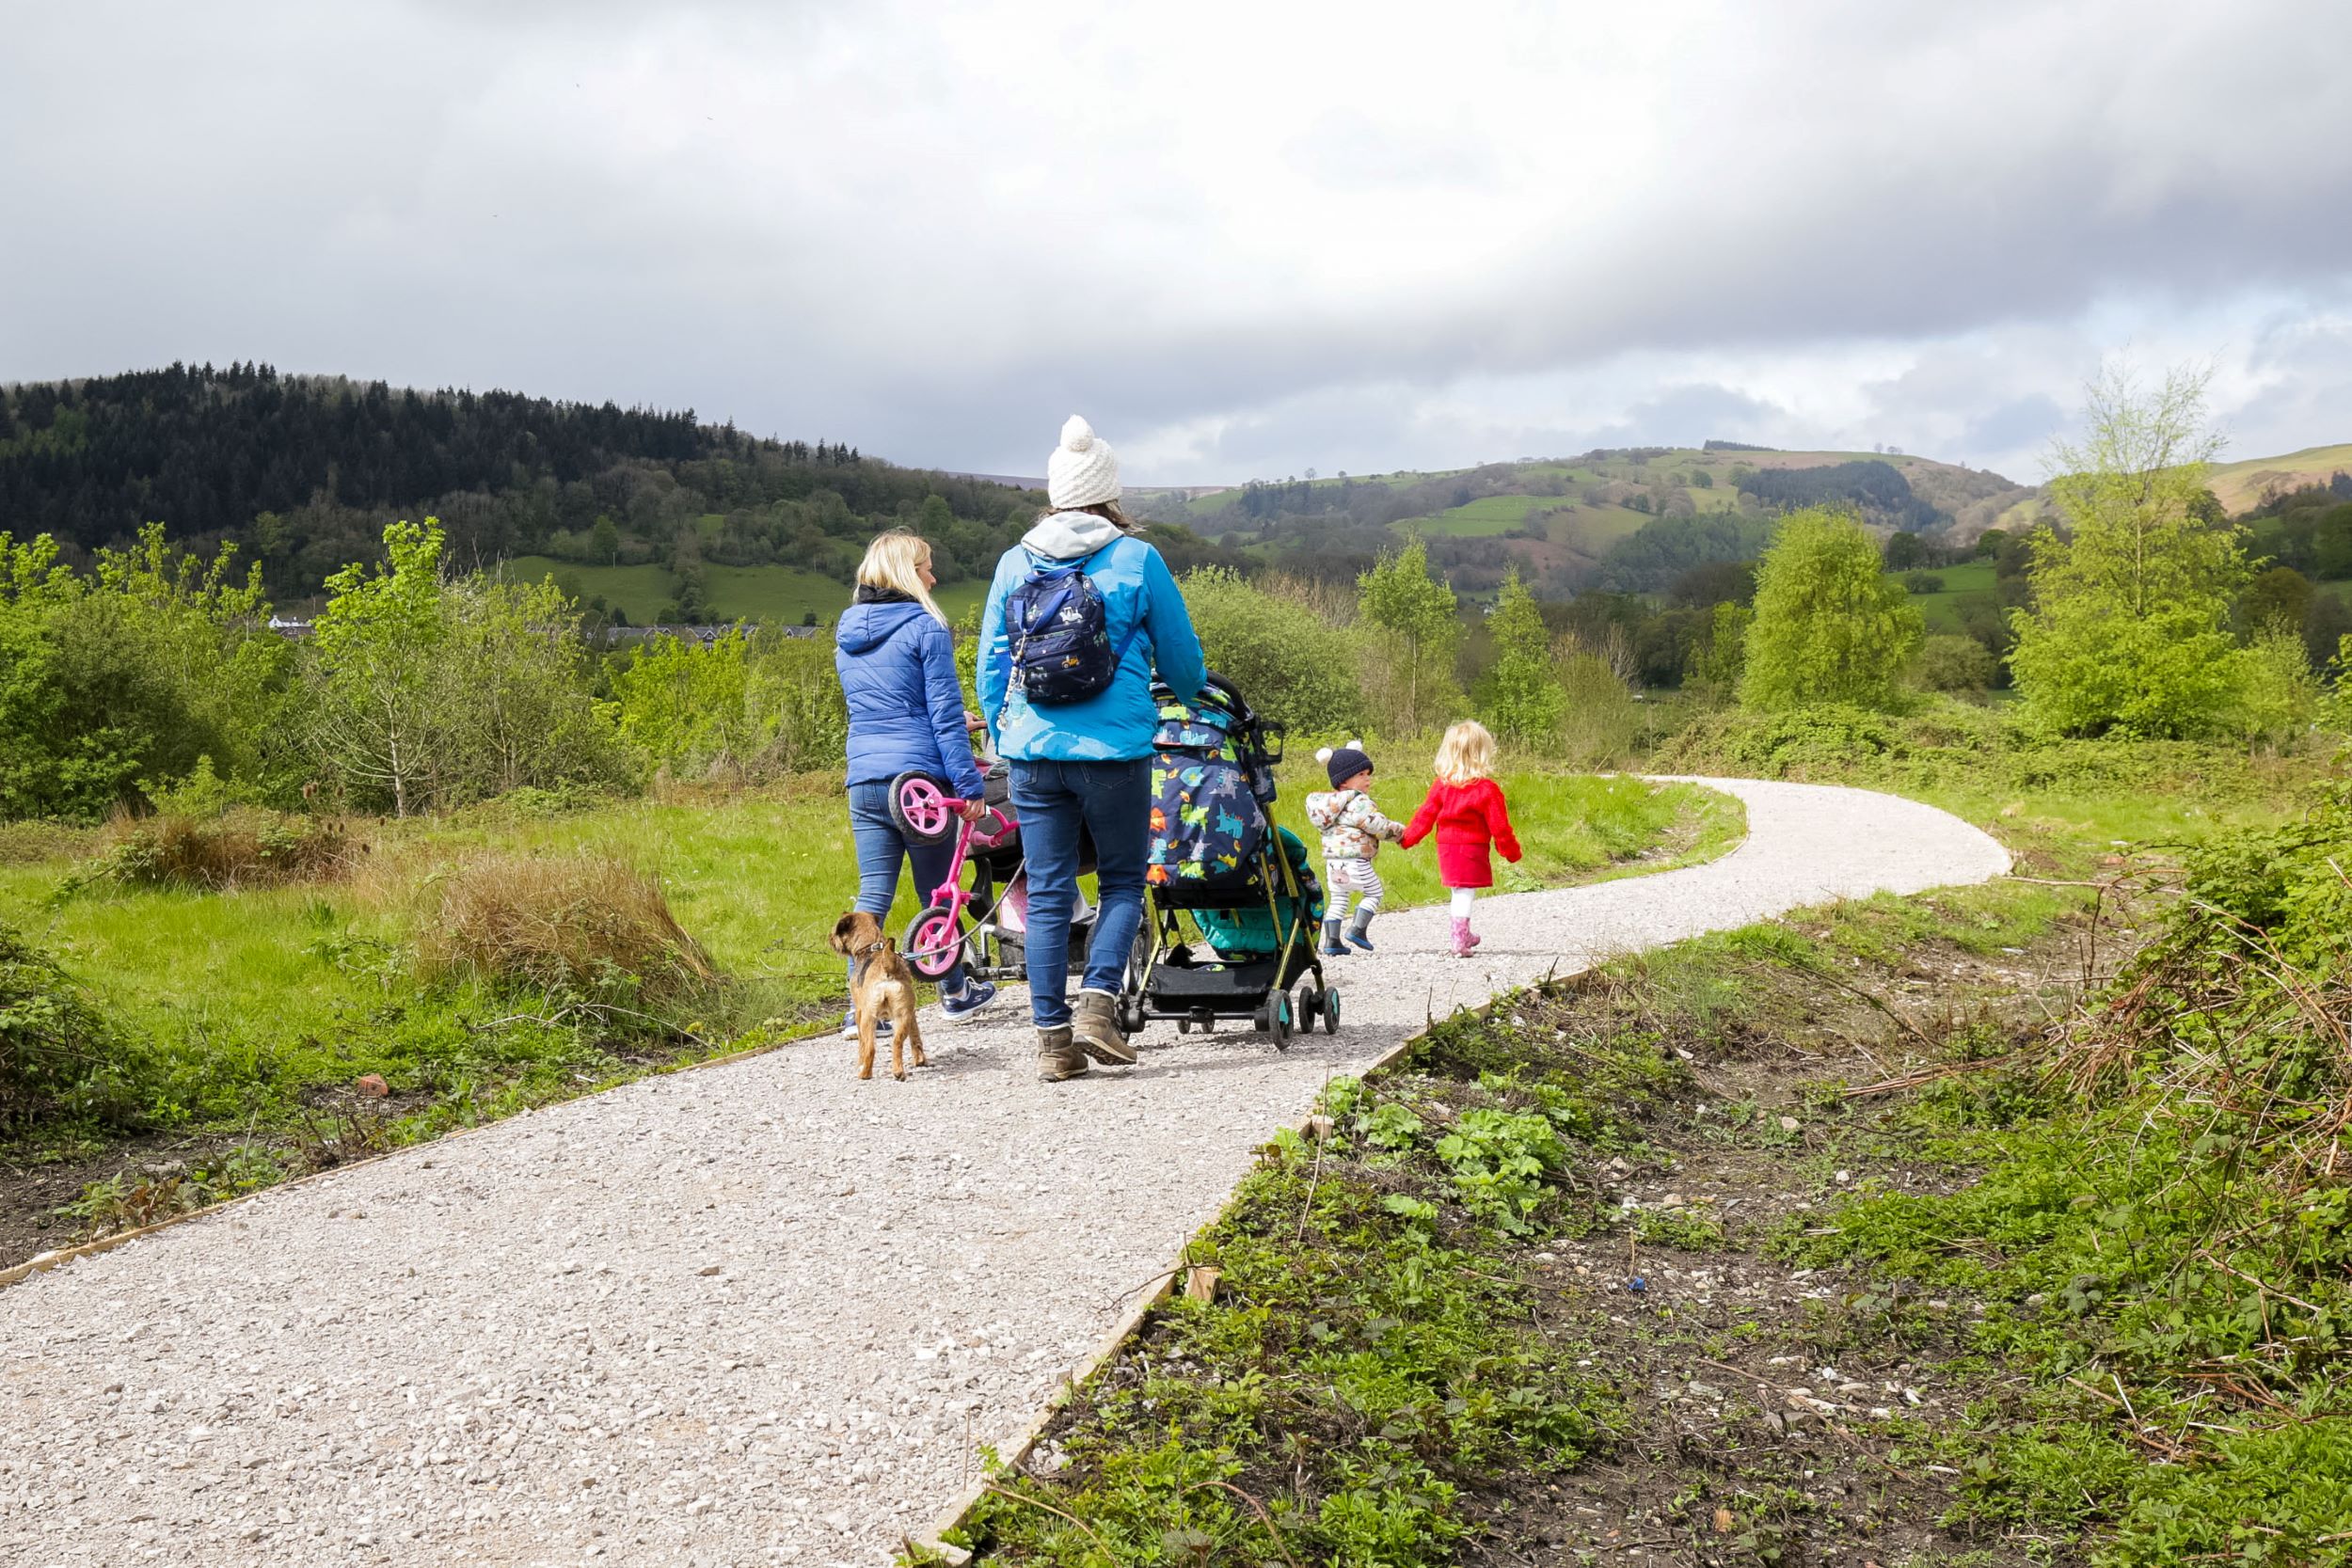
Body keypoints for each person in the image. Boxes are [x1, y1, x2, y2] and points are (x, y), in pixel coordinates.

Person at [978, 415, 1208, 1083]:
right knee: (1122, 881)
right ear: (1108, 492)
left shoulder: (1014, 562)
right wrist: (1190, 697)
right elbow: (1184, 659)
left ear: (1055, 492)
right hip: (1114, 751)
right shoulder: (1137, 558)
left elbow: (993, 662)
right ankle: (1098, 1007)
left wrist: (1004, 730)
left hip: (1032, 750)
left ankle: (1053, 1041)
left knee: (1047, 891)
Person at [835, 531, 1001, 1034]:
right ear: (908, 572)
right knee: (938, 889)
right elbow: (943, 717)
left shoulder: (846, 631)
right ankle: (954, 990)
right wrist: (969, 791)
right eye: (927, 566)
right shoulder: (926, 627)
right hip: (917, 784)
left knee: (873, 893)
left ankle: (859, 1008)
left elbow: (886, 707)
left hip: (864, 779)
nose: (934, 576)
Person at [1399, 720, 1521, 958]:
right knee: (1465, 891)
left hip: (1446, 847)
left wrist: (1407, 838)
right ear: (1482, 754)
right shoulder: (1486, 789)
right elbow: (1500, 827)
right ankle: (1459, 939)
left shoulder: (1442, 786)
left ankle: (1463, 934)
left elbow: (1425, 815)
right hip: (1471, 847)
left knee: (1458, 889)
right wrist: (1511, 851)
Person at [1304, 739, 1406, 956]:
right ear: (1343, 780)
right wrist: (1399, 832)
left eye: (1368, 773)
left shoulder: (1326, 806)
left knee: (1339, 898)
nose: (1368, 778)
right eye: (1361, 774)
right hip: (1356, 860)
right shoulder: (1357, 801)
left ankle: (1332, 941)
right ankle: (1358, 930)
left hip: (1333, 864)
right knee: (1374, 892)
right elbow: (1377, 826)